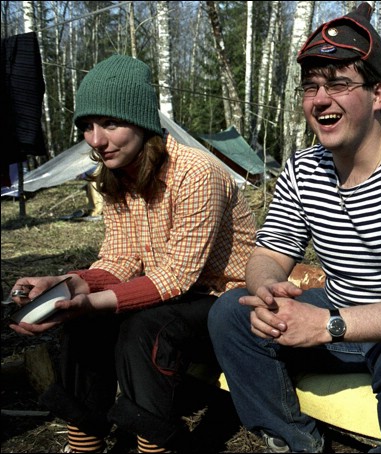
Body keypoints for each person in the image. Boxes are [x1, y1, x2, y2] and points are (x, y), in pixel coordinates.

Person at [208, 3, 381, 453]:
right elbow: (270, 252)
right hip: (338, 315)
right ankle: (295, 440)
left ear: (377, 95)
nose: (320, 99)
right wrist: (268, 292)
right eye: (311, 86)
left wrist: (329, 326)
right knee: (232, 313)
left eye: (338, 84)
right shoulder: (302, 169)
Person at [8, 55, 257, 453]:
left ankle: (155, 443)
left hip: (226, 299)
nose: (96, 140)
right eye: (87, 126)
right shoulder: (117, 175)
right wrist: (67, 283)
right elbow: (119, 262)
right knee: (82, 322)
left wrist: (93, 301)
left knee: (143, 329)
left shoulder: (196, 172)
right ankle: (85, 437)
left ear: (141, 121)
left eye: (110, 123)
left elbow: (178, 275)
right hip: (169, 293)